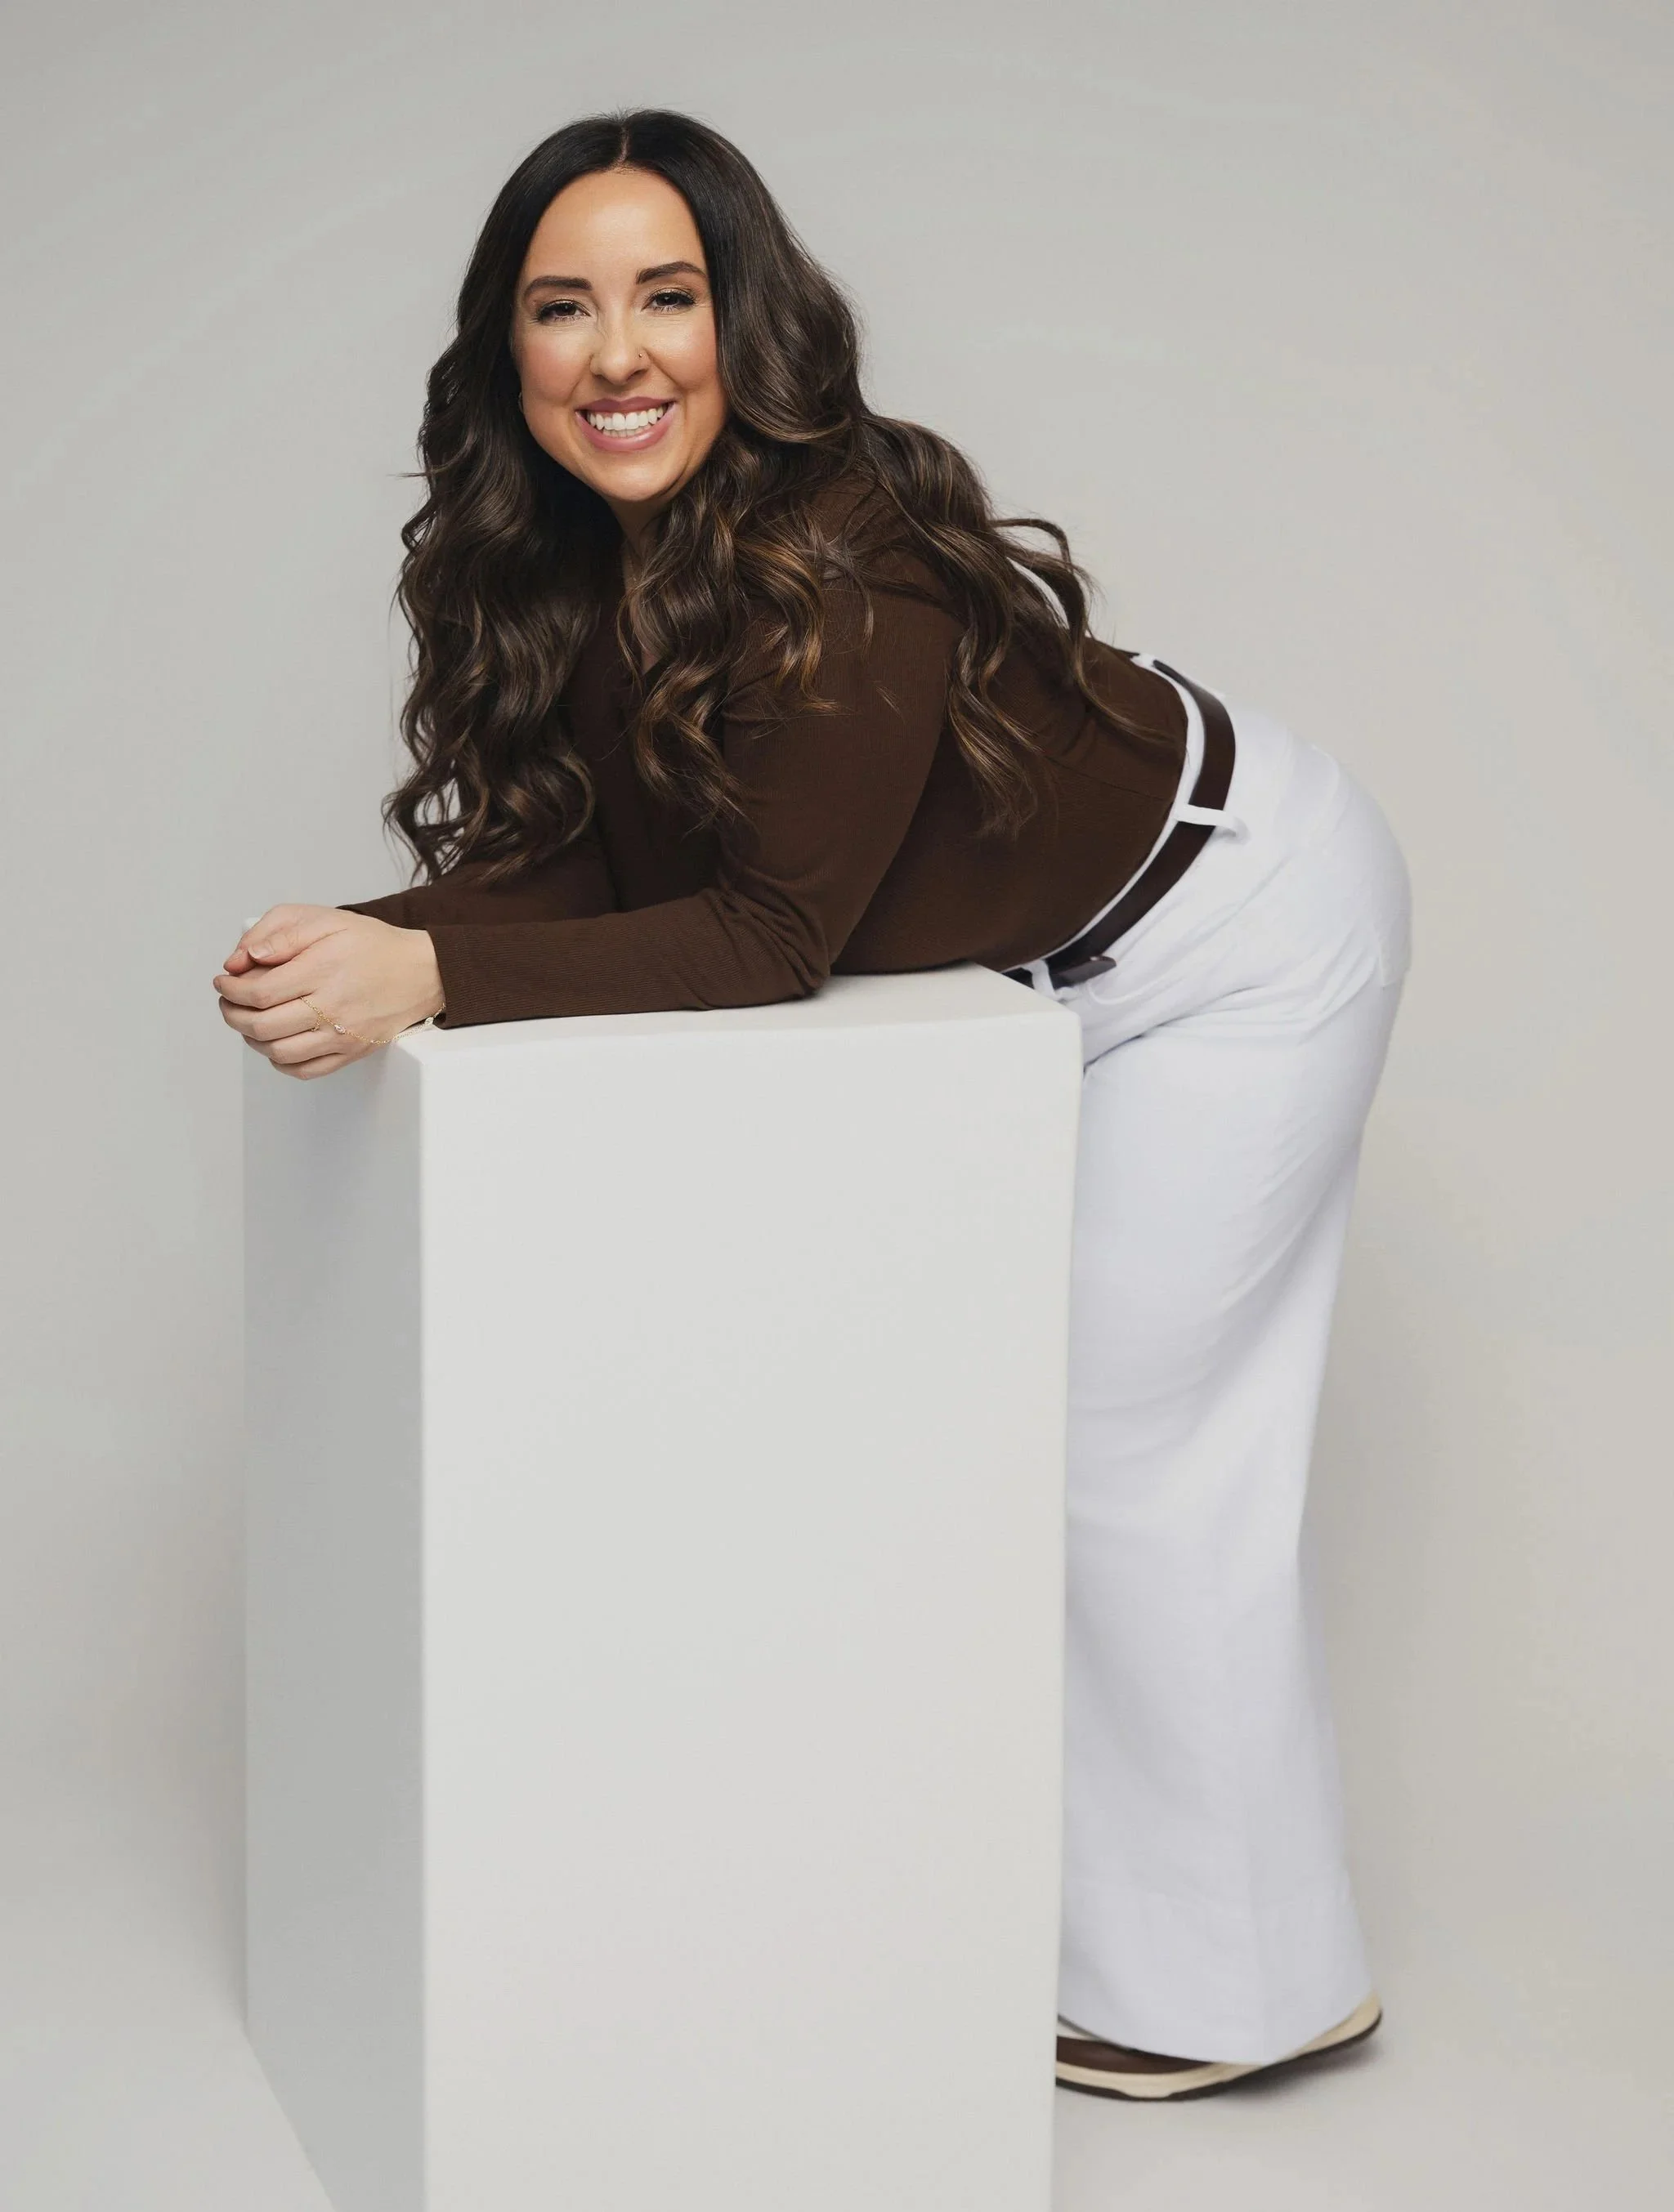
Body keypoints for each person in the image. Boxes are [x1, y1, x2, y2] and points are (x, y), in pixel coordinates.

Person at [212, 109, 1410, 2099]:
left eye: (666, 299)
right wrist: (369, 935)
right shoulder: (578, 562)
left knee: (1125, 1449)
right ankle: (1107, 1930)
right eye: (562, 307)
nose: (618, 355)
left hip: (1237, 925)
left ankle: (1244, 1995)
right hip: (1041, 972)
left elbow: (768, 932)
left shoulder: (838, 546)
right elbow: (607, 865)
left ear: (740, 321)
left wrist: (435, 970)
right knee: (1025, 1440)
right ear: (504, 354)